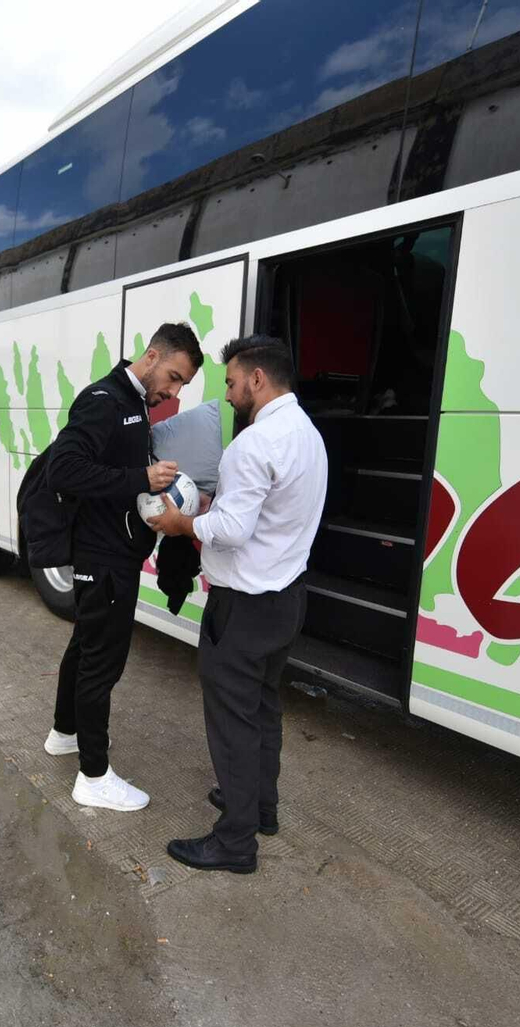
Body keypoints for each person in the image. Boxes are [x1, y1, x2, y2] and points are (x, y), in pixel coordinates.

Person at [146, 334, 327, 873]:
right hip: (286, 598)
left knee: (232, 721)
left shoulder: (253, 443)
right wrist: (213, 502)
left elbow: (231, 530)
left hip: (244, 605)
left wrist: (182, 521)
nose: (225, 395)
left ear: (256, 379)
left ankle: (235, 844)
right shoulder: (307, 434)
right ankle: (260, 807)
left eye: (229, 383)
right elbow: (262, 513)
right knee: (263, 707)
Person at [44, 323, 205, 810]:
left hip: (113, 553)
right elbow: (63, 469)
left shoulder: (133, 402)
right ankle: (93, 777)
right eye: (173, 378)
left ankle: (64, 733)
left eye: (181, 386)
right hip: (102, 557)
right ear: (152, 356)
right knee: (102, 663)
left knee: (83, 647)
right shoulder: (104, 400)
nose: (173, 392)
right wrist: (140, 477)